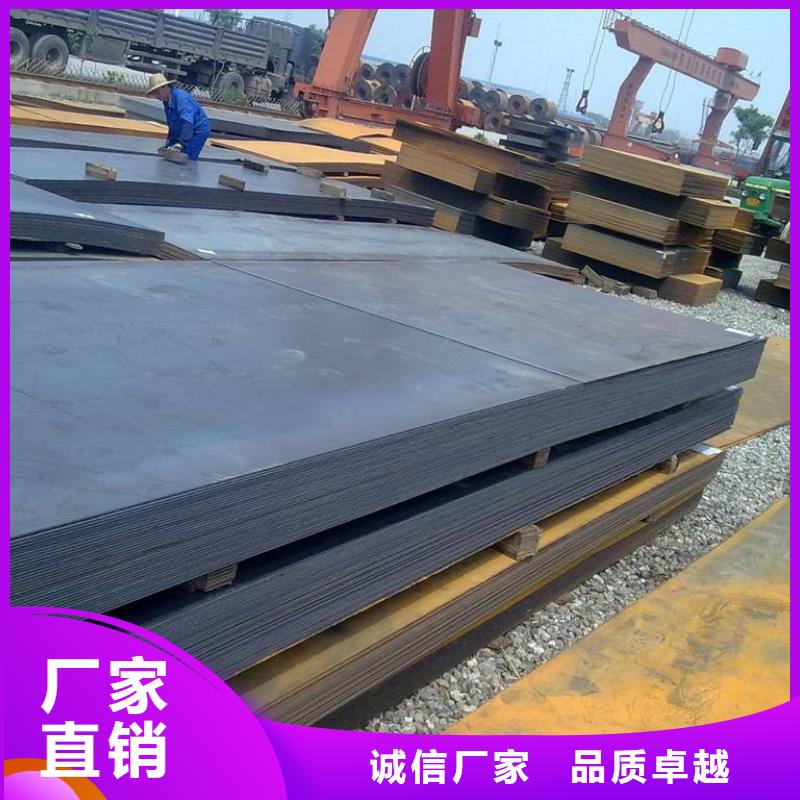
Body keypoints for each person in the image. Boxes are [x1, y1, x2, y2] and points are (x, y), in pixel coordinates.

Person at [144, 73, 211, 161]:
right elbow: (172, 123)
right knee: (171, 153)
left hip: (197, 130)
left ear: (165, 87)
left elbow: (187, 123)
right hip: (184, 128)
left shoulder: (181, 99)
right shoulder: (167, 101)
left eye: (157, 92)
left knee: (187, 156)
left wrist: (181, 143)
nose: (156, 96)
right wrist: (170, 143)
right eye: (154, 93)